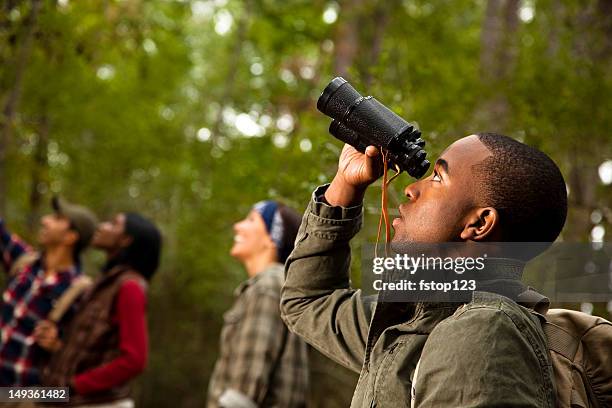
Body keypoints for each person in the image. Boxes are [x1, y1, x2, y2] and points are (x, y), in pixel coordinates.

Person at [280, 133, 570, 407]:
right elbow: (306, 302)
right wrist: (346, 184)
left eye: (437, 178)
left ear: (479, 224)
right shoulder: (416, 316)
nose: (411, 188)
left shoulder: (484, 331)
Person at [34, 212, 162, 408]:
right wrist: (59, 347)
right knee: (9, 395)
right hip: (59, 394)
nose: (102, 226)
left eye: (113, 224)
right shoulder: (105, 283)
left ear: (126, 240)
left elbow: (135, 360)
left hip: (95, 401)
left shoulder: (130, 287)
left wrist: (77, 385)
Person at [207, 201, 309, 408]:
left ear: (272, 239)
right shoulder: (281, 285)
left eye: (251, 219)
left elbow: (245, 389)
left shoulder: (267, 286)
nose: (238, 226)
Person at [0, 197, 97, 387]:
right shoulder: (25, 262)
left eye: (57, 218)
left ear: (70, 237)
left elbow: (87, 358)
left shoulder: (83, 292)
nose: (45, 220)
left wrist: (58, 346)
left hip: (28, 396)